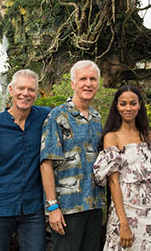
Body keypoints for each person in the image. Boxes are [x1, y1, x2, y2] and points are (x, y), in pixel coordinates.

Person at [40, 60, 105, 251]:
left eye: (92, 79)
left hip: (93, 207)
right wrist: (52, 208)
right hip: (67, 209)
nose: (88, 83)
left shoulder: (97, 118)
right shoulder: (58, 116)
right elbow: (46, 164)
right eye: (82, 78)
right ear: (73, 84)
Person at [0, 69, 50, 251]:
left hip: (33, 207)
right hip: (0, 206)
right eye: (21, 88)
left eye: (31, 89)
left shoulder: (45, 117)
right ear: (11, 90)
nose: (25, 93)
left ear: (37, 93)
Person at [93, 85, 151, 251]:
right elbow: (113, 183)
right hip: (125, 210)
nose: (128, 108)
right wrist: (123, 223)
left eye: (133, 103)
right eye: (123, 104)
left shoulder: (148, 135)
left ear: (140, 105)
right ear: (117, 105)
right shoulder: (112, 137)